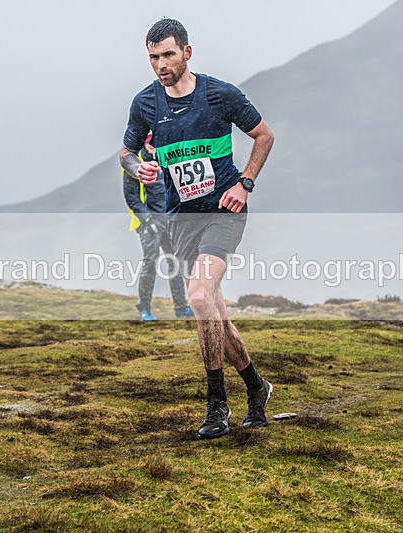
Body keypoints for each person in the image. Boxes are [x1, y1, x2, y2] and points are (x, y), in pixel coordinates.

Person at [120, 18, 275, 438]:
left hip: (224, 209)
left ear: (187, 52)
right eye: (153, 57)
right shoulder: (146, 104)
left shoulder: (220, 94)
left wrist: (245, 184)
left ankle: (216, 405)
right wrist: (140, 167)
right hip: (182, 220)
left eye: (167, 54)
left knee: (199, 295)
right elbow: (127, 152)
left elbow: (263, 136)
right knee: (214, 311)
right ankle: (256, 386)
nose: (160, 64)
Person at [123, 134, 194, 321]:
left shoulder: (166, 159)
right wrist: (147, 220)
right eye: (150, 141)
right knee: (151, 263)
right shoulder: (135, 163)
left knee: (175, 264)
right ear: (145, 142)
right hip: (148, 225)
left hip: (169, 221)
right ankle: (144, 308)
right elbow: (131, 197)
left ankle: (181, 307)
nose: (154, 144)